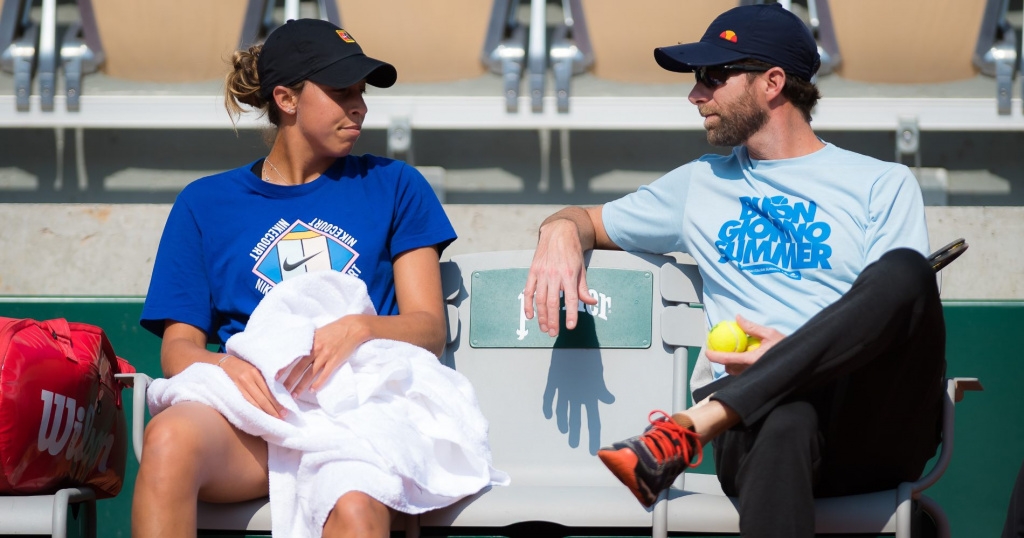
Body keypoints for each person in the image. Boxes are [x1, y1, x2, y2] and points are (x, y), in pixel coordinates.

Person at [523, 4, 945, 537]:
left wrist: (786, 352)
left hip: (869, 423)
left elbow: (892, 321)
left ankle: (697, 425)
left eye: (713, 77)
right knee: (786, 415)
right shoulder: (700, 183)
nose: (696, 95)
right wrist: (559, 231)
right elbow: (584, 219)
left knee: (906, 272)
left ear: (772, 83)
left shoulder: (881, 183)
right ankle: (727, 412)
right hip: (764, 429)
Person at [133, 19, 459, 538]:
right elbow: (178, 351)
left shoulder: (396, 185)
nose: (360, 106)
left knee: (355, 505)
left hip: (358, 413)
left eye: (361, 92)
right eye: (341, 92)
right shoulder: (204, 203)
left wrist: (359, 327)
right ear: (285, 98)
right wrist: (225, 368)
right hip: (254, 417)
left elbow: (428, 329)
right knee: (168, 439)